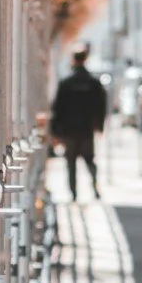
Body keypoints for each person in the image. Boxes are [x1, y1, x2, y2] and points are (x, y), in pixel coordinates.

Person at [50, 42, 108, 199]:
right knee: (90, 160)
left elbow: (57, 108)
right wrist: (99, 126)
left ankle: (73, 193)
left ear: (73, 60)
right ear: (85, 59)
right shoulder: (93, 83)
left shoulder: (66, 83)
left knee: (71, 163)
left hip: (69, 130)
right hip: (87, 129)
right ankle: (95, 186)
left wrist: (55, 132)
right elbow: (101, 106)